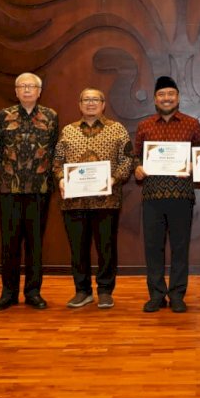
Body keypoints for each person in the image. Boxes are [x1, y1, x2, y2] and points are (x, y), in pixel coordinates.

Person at [53, 88, 133, 310]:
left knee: (106, 248)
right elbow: (57, 161)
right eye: (86, 100)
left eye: (95, 99)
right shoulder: (67, 131)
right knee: (78, 248)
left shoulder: (117, 129)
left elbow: (127, 160)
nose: (90, 103)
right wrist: (61, 179)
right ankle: (82, 291)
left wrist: (113, 180)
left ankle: (105, 291)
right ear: (79, 104)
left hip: (106, 200)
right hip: (73, 202)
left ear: (103, 104)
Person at [133, 76, 200, 313]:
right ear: (155, 99)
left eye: (170, 94)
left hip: (182, 196)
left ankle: (177, 295)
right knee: (153, 248)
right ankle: (156, 294)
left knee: (180, 248)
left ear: (178, 98)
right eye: (162, 95)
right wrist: (137, 168)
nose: (166, 98)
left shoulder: (192, 124)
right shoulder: (144, 126)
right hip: (152, 196)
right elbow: (135, 157)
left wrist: (194, 166)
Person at [0, 72, 58, 311]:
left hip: (39, 189)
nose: (27, 90)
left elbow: (53, 152)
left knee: (35, 244)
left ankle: (33, 292)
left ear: (39, 91)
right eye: (22, 86)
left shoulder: (51, 116)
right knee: (9, 243)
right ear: (16, 91)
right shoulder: (4, 115)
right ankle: (8, 294)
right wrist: (11, 175)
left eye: (32, 86)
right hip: (10, 188)